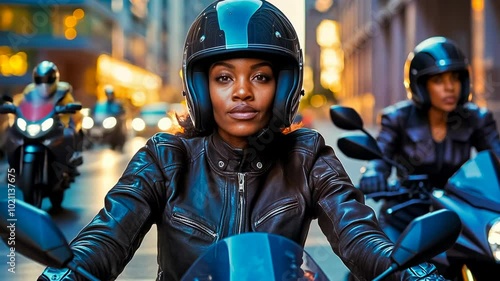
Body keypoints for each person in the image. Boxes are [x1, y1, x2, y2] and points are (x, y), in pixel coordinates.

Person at [38, 1, 446, 280]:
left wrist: (402, 266)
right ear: (200, 89)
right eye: (224, 77)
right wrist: (70, 269)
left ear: (284, 86)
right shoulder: (166, 158)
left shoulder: (306, 157)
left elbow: (356, 232)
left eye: (261, 76)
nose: (242, 92)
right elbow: (109, 234)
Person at [359, 36, 500, 241]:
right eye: (438, 80)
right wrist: (373, 174)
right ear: (421, 86)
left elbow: (496, 158)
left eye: (455, 78)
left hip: (459, 216)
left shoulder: (477, 119)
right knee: (385, 266)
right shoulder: (397, 118)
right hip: (406, 215)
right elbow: (379, 156)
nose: (450, 87)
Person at [20, 60, 84, 175]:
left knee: (69, 133)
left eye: (48, 79)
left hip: (58, 123)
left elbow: (70, 107)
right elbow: (22, 105)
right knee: (13, 132)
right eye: (40, 79)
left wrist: (65, 113)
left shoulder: (63, 90)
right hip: (37, 122)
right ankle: (12, 169)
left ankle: (71, 160)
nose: (44, 83)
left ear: (55, 78)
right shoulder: (29, 90)